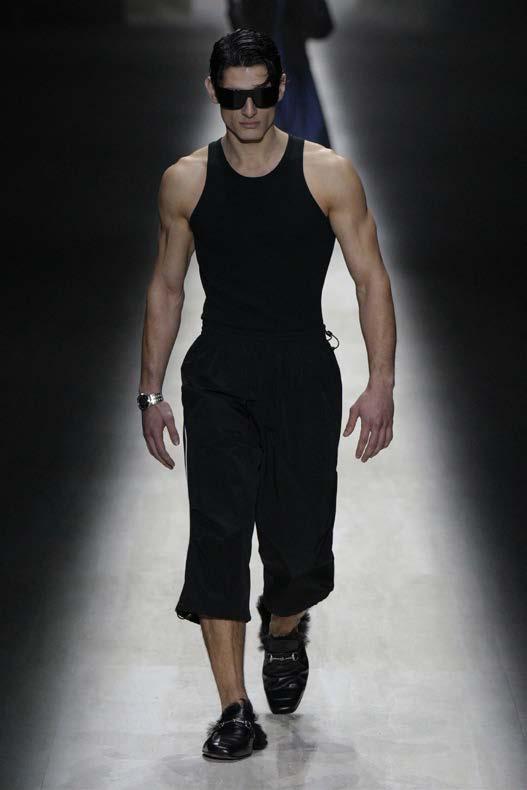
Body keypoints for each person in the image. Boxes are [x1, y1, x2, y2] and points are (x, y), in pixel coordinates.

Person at [137, 27, 396, 761]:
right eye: (232, 98)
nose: (246, 111)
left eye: (258, 95)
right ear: (212, 93)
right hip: (218, 372)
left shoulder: (328, 175)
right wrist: (149, 392)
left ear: (280, 89)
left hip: (302, 371)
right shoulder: (186, 180)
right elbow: (166, 287)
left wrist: (380, 382)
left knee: (300, 543)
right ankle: (233, 708)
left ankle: (285, 627)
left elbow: (371, 278)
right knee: (218, 536)